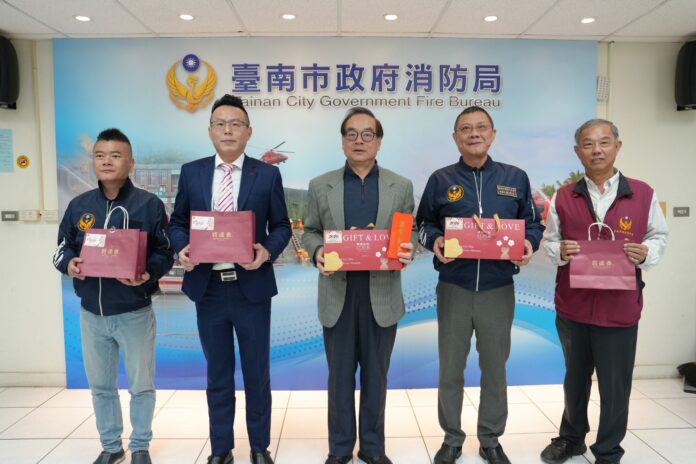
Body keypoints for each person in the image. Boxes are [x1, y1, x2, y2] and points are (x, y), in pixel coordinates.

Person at [416, 106, 544, 464]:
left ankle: (490, 438)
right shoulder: (441, 179)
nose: (474, 133)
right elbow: (423, 224)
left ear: (493, 133)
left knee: (495, 367)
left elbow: (533, 224)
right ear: (455, 137)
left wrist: (528, 243)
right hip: (453, 287)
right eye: (466, 128)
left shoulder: (515, 178)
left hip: (497, 288)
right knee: (450, 367)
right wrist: (435, 241)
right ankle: (452, 438)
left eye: (481, 127)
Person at [167, 94, 291, 464]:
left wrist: (266, 252)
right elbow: (177, 222)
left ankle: (259, 447)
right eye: (220, 124)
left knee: (257, 373)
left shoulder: (266, 174)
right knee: (217, 374)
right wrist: (182, 247)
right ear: (210, 131)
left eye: (236, 124)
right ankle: (221, 449)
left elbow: (282, 226)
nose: (227, 130)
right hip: (207, 289)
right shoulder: (193, 172)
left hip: (251, 288)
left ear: (248, 132)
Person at [539, 119, 668, 464]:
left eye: (604, 142)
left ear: (617, 147)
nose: (596, 150)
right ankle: (571, 439)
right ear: (577, 151)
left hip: (619, 307)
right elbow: (549, 241)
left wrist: (647, 252)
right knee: (574, 380)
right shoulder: (564, 196)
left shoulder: (642, 193)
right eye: (588, 144)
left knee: (615, 385)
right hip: (574, 306)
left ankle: (609, 450)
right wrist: (559, 251)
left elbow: (658, 235)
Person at [302, 107, 416, 464]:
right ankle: (339, 449)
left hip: (382, 295)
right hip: (338, 294)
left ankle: (372, 448)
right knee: (339, 378)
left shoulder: (401, 186)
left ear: (379, 141)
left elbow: (409, 230)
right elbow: (309, 231)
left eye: (368, 134)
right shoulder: (321, 185)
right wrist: (318, 250)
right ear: (342, 141)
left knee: (376, 377)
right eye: (351, 134)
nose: (359, 140)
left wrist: (408, 247)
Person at [53, 128, 174, 464]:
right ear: (92, 161)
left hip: (134, 311)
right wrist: (69, 264)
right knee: (101, 386)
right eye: (100, 155)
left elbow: (165, 252)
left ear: (130, 163)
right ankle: (110, 446)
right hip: (92, 314)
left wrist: (148, 273)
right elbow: (62, 248)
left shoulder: (149, 205)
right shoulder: (79, 206)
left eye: (115, 155)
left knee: (141, 385)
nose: (107, 161)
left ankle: (140, 446)